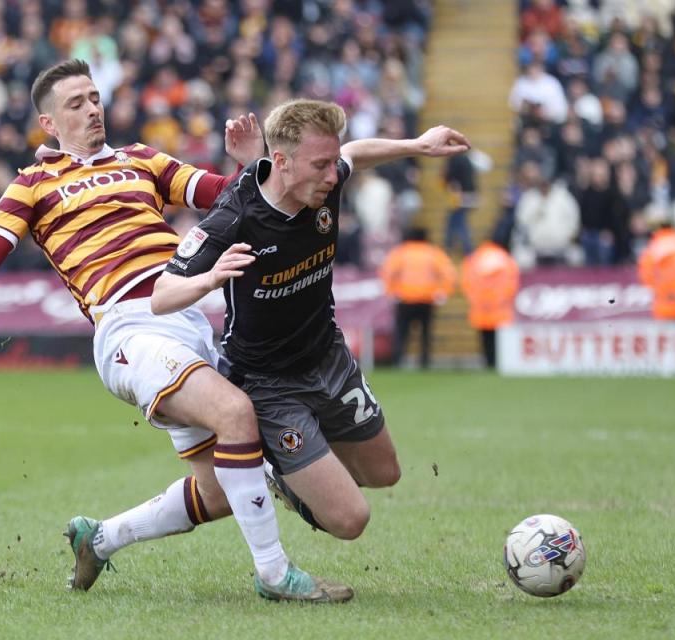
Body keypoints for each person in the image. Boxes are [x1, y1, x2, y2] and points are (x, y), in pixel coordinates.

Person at [0, 60, 350, 603]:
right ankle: (275, 575)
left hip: (188, 317)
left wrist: (253, 162)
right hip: (128, 329)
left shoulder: (142, 159)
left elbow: (234, 199)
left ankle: (101, 538)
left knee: (223, 489)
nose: (92, 109)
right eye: (76, 103)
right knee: (235, 414)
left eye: (94, 97)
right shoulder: (33, 184)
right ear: (48, 123)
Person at [151, 98, 470, 541]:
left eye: (332, 163)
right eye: (321, 165)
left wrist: (418, 144)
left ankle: (306, 457)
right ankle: (279, 469)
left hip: (328, 355)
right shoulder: (233, 216)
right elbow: (162, 296)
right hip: (267, 383)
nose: (332, 175)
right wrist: (210, 278)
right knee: (350, 521)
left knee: (384, 473)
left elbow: (355, 153)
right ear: (280, 161)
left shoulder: (326, 178)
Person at [378, 227, 456, 368]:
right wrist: (442, 292)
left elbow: (387, 272)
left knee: (402, 333)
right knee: (425, 334)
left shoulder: (400, 252)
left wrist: (392, 292)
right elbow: (448, 274)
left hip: (405, 299)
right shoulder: (433, 252)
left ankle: (398, 360)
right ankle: (425, 362)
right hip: (426, 299)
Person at [460, 241, 520, 369]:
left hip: (481, 308)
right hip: (500, 308)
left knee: (485, 339)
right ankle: (499, 362)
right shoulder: (505, 259)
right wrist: (501, 299)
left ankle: (488, 362)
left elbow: (467, 284)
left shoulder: (474, 259)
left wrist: (477, 300)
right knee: (499, 340)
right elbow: (512, 284)